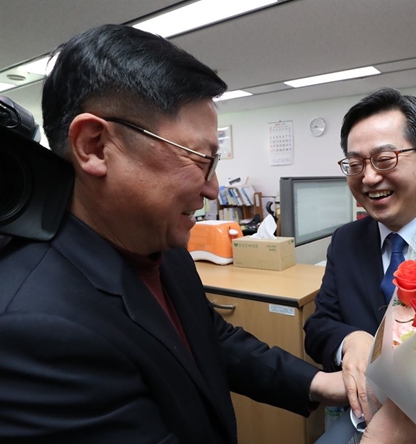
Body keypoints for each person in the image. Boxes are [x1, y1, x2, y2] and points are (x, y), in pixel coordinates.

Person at [0, 24, 347, 443]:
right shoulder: (35, 331)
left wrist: (320, 384)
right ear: (94, 146)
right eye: (201, 159)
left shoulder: (161, 244)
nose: (213, 189)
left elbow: (208, 338)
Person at [304, 87, 416, 425]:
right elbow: (319, 327)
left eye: (384, 159)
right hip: (362, 420)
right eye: (355, 164)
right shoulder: (346, 240)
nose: (369, 177)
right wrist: (351, 340)